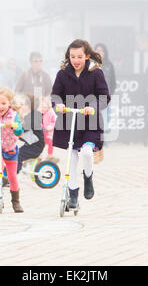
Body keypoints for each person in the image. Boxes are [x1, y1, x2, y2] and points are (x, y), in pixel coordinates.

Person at [51, 39, 110, 209]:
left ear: (87, 56)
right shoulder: (62, 74)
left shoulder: (96, 73)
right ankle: (73, 196)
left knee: (86, 152)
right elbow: (55, 95)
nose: (75, 60)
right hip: (69, 121)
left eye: (79, 56)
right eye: (72, 57)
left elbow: (104, 96)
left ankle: (88, 177)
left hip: (91, 122)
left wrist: (93, 107)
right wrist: (58, 105)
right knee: (72, 158)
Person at [16, 94, 45, 174]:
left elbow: (26, 129)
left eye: (24, 104)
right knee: (15, 151)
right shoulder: (30, 116)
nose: (22, 105)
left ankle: (13, 174)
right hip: (32, 143)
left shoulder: (33, 117)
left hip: (35, 146)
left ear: (29, 106)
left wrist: (16, 129)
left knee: (17, 155)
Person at [40, 96, 58, 163]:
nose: (42, 108)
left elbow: (53, 122)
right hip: (39, 133)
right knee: (40, 144)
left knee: (50, 142)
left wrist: (50, 126)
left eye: (44, 107)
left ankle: (50, 155)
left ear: (48, 107)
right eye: (41, 107)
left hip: (47, 132)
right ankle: (39, 155)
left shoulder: (50, 114)